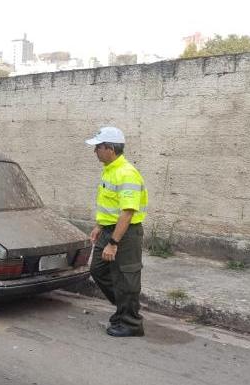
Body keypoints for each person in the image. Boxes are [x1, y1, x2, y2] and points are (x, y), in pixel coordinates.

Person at [85, 126, 148, 337]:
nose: (95, 152)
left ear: (109, 148)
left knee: (126, 278)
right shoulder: (110, 170)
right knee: (98, 270)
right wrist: (99, 226)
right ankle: (124, 309)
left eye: (98, 147)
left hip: (125, 234)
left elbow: (127, 213)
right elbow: (109, 206)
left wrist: (113, 243)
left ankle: (131, 323)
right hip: (108, 231)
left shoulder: (126, 173)